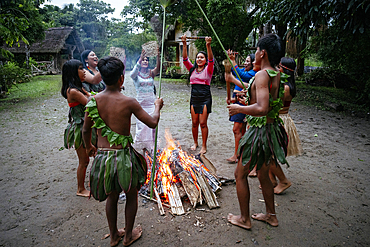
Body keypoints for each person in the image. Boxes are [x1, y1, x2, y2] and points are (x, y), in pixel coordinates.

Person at [82, 56, 163, 246]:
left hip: (103, 158)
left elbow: (86, 130)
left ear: (102, 78)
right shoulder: (129, 101)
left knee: (112, 195)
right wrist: (157, 107)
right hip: (124, 157)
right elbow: (152, 122)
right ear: (121, 79)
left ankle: (113, 236)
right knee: (131, 193)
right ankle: (127, 236)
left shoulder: (93, 101)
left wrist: (88, 147)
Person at [225, 33, 288, 229]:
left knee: (239, 174)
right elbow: (265, 102)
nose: (255, 54)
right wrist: (248, 99)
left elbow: (261, 108)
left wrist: (240, 108)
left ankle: (244, 219)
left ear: (264, 53)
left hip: (259, 132)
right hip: (270, 129)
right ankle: (271, 215)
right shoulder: (275, 72)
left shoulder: (261, 74)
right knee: (262, 173)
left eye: (257, 50)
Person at [269, 57, 303, 194]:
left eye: (278, 66)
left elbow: (272, 101)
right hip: (281, 118)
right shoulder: (286, 84)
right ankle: (271, 180)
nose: (276, 68)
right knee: (270, 153)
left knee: (269, 154)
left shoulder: (285, 88)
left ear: (283, 69)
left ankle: (284, 181)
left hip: (280, 120)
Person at [61, 59, 95, 197]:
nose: (84, 72)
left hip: (86, 126)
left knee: (91, 155)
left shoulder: (79, 87)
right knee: (84, 160)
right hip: (80, 129)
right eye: (81, 69)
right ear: (73, 72)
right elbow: (90, 102)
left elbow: (91, 96)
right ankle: (80, 189)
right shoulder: (73, 91)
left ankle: (90, 183)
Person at [181, 34, 214, 154]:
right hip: (194, 97)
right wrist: (184, 44)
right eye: (197, 57)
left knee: (203, 123)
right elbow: (185, 59)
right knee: (194, 123)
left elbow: (211, 59)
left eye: (202, 57)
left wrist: (208, 45)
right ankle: (195, 143)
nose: (199, 59)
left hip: (205, 97)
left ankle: (204, 145)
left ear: (205, 60)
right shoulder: (192, 69)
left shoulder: (208, 69)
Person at [226, 51, 258, 164]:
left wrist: (233, 61)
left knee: (238, 129)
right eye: (245, 61)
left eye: (248, 61)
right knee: (239, 129)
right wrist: (233, 98)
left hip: (245, 102)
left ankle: (239, 154)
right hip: (238, 100)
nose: (245, 63)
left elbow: (240, 76)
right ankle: (239, 154)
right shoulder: (246, 71)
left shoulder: (253, 73)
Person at [130, 48, 160, 154]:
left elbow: (159, 68)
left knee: (152, 126)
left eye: (147, 60)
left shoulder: (150, 73)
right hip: (141, 104)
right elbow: (131, 74)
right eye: (143, 60)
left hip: (151, 103)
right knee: (142, 127)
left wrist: (157, 56)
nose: (145, 61)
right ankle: (143, 149)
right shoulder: (136, 75)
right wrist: (140, 58)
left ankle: (152, 149)